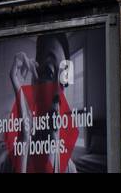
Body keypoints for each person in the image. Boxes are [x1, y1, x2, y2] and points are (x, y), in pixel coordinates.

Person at [8, 32, 75, 173]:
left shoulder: (69, 168)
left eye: (63, 80)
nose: (58, 92)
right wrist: (24, 137)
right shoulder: (12, 162)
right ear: (34, 81)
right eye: (49, 72)